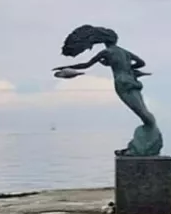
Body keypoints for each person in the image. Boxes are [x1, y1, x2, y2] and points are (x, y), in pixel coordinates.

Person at [54, 25, 163, 156]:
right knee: (145, 113)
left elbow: (86, 65)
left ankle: (141, 148)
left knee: (146, 116)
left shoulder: (107, 52)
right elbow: (141, 63)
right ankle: (144, 146)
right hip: (132, 80)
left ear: (104, 41)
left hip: (122, 83)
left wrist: (66, 67)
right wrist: (128, 68)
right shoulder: (124, 52)